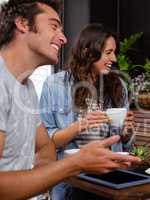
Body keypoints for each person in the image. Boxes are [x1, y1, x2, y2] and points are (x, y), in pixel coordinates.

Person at [0, 1, 140, 200]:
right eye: (54, 26)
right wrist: (74, 163)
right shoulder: (49, 84)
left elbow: (45, 146)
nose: (64, 38)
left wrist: (42, 181)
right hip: (72, 185)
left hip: (107, 179)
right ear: (23, 24)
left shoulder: (26, 87)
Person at [39, 23, 136, 199]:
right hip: (72, 178)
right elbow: (47, 143)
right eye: (108, 52)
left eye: (114, 52)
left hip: (110, 176)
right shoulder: (55, 85)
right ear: (87, 52)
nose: (113, 58)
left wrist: (127, 131)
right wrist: (81, 125)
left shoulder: (118, 86)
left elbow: (124, 143)